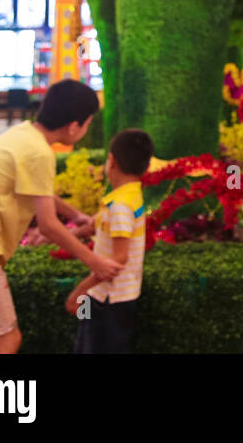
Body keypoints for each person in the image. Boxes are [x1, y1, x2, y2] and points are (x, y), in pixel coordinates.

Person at [0, 79, 121, 354]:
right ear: (74, 126)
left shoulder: (20, 134)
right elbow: (48, 225)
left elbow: (35, 190)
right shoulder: (40, 152)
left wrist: (77, 216)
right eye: (87, 123)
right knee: (7, 341)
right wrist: (94, 261)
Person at [66, 128, 154, 354]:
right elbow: (98, 223)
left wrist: (80, 290)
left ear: (111, 161)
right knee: (88, 340)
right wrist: (69, 235)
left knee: (91, 346)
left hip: (106, 299)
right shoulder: (127, 195)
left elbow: (119, 258)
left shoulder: (121, 207)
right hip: (110, 296)